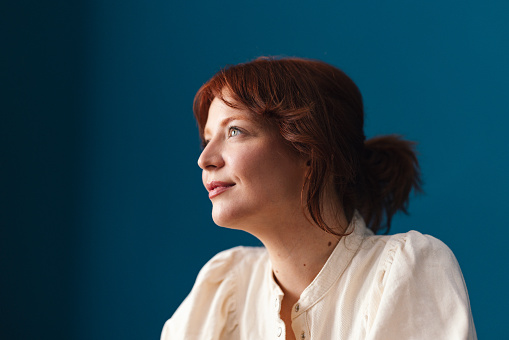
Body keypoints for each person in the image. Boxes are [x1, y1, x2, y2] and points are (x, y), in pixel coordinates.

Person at [161, 57, 476, 339]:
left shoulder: (405, 270)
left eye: (235, 131)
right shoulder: (223, 285)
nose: (205, 159)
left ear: (311, 148)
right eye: (206, 138)